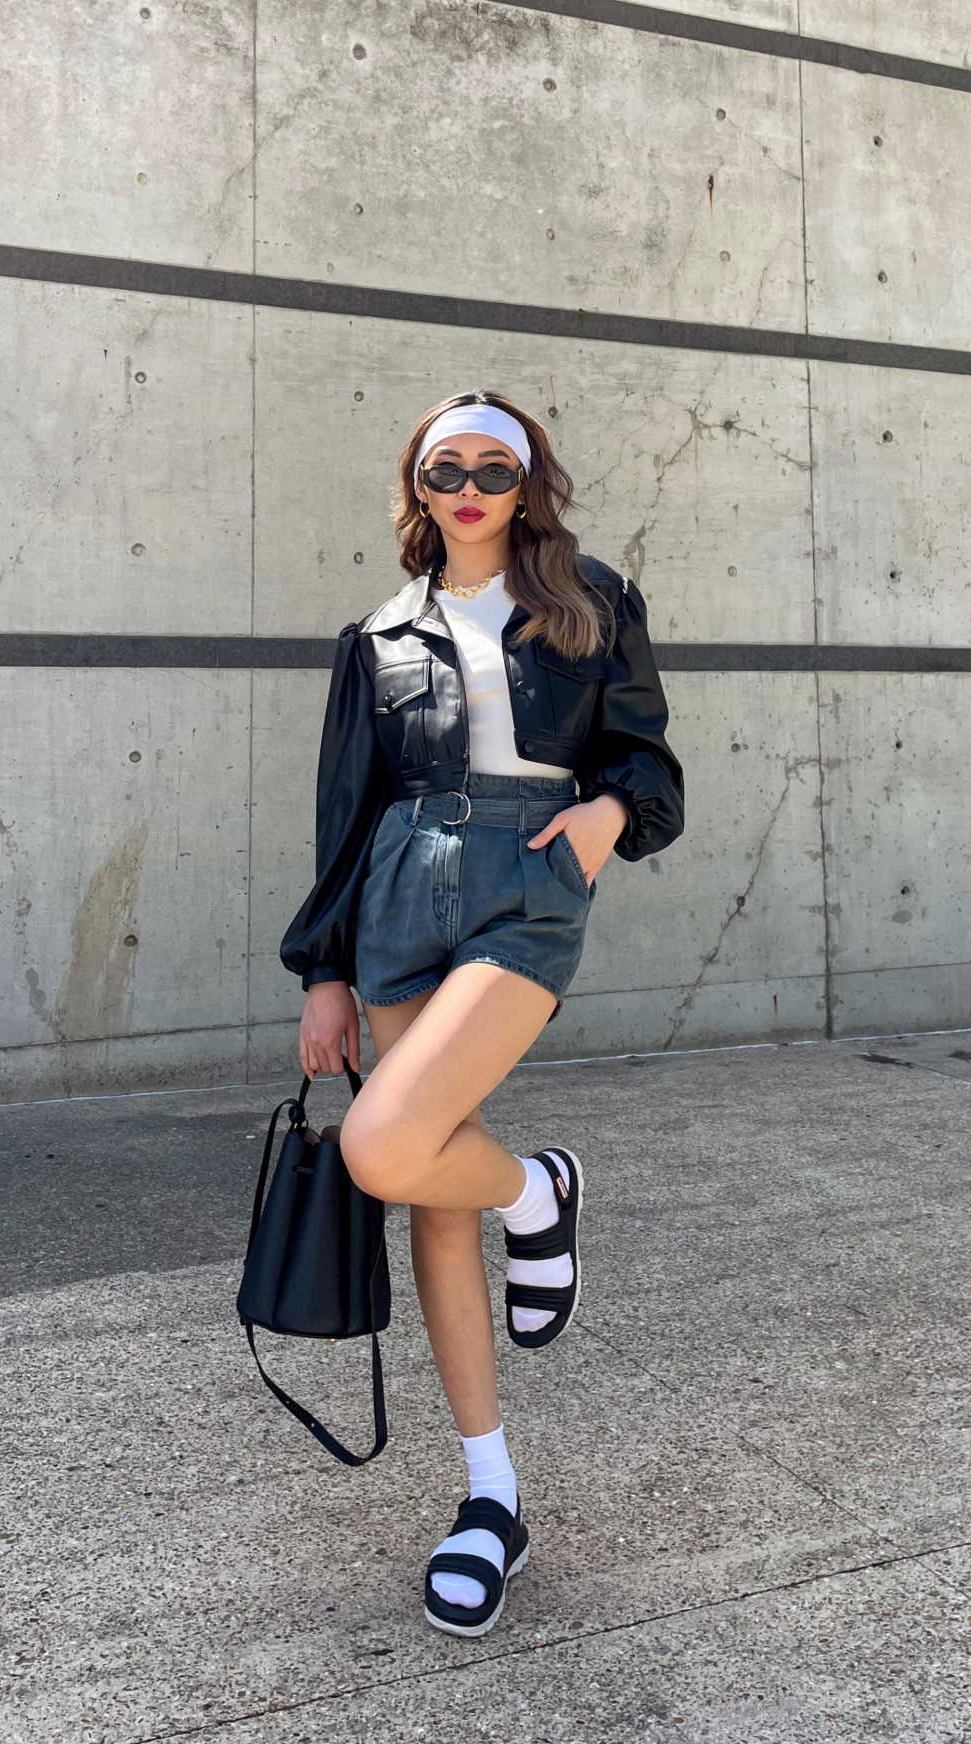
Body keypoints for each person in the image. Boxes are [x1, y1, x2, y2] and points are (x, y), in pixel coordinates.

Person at [280, 390, 684, 1637]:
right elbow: (344, 805)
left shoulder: (588, 597)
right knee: (427, 1197)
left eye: (491, 466)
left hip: (527, 874)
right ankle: (488, 1491)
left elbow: (648, 761)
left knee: (389, 1143)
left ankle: (535, 1193)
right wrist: (322, 970)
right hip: (399, 883)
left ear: (526, 481)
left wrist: (610, 816)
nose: (467, 484)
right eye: (443, 465)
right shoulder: (378, 633)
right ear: (417, 484)